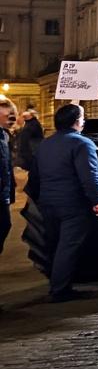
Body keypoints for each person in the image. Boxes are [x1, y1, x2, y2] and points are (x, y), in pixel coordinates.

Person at [30, 104, 98, 302]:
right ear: (77, 121)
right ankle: (60, 290)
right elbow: (89, 175)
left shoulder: (45, 144)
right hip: (72, 203)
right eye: (82, 117)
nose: (84, 121)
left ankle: (56, 284)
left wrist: (39, 197)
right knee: (69, 246)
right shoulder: (82, 144)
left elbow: (35, 176)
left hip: (47, 203)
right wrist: (97, 199)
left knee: (54, 245)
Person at [0, 98, 16, 258]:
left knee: (5, 225)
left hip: (3, 193)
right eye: (7, 112)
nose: (10, 116)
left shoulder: (4, 136)